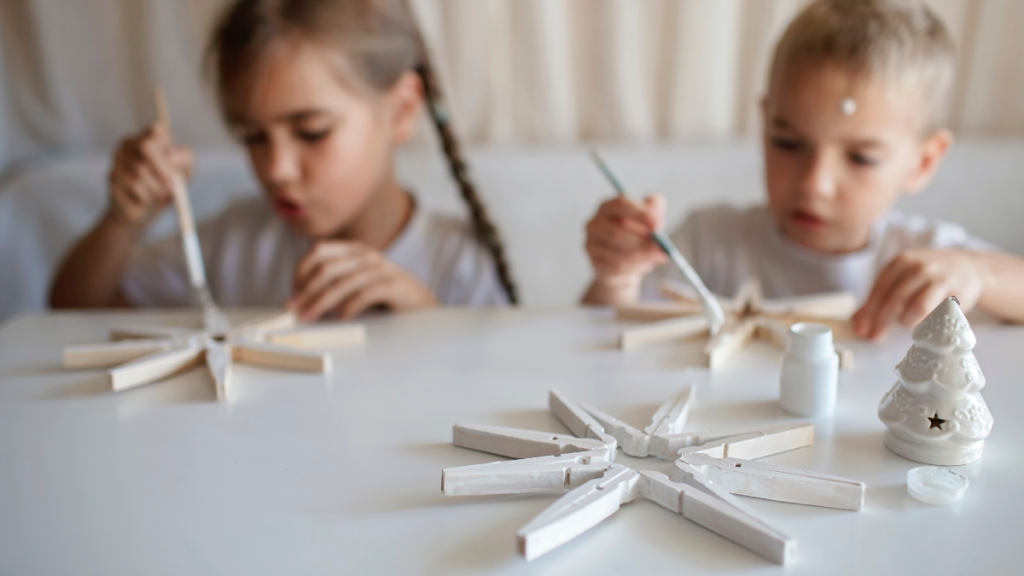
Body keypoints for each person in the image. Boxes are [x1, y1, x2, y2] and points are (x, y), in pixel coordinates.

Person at [581, 0, 1024, 339]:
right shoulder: (707, 242)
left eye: (861, 158)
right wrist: (616, 277)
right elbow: (594, 338)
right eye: (787, 143)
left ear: (923, 162)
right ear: (763, 125)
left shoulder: (927, 256)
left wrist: (979, 275)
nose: (814, 184)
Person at [51, 0, 517, 321]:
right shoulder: (230, 243)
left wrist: (429, 324)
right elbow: (71, 312)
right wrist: (122, 221)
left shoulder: (458, 263)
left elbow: (496, 404)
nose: (276, 170)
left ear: (401, 110)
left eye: (311, 132)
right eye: (253, 137)